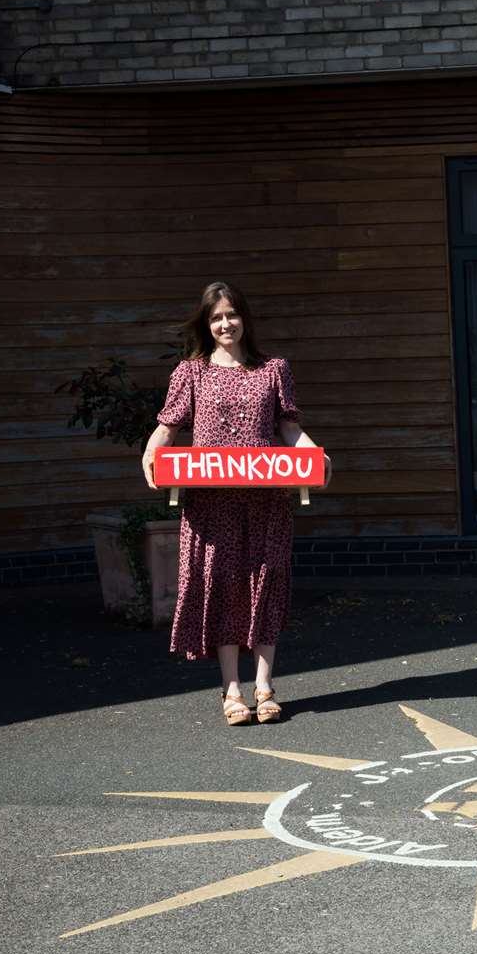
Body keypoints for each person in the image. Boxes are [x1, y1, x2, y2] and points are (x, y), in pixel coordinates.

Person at [140, 282, 328, 726]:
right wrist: (151, 450)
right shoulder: (191, 372)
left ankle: (265, 686)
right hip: (211, 505)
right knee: (220, 585)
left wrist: (317, 455)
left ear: (245, 318)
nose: (225, 324)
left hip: (266, 502)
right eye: (216, 317)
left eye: (232, 315)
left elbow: (288, 428)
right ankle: (232, 690)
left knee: (266, 581)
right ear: (207, 325)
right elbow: (168, 426)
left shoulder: (273, 370)